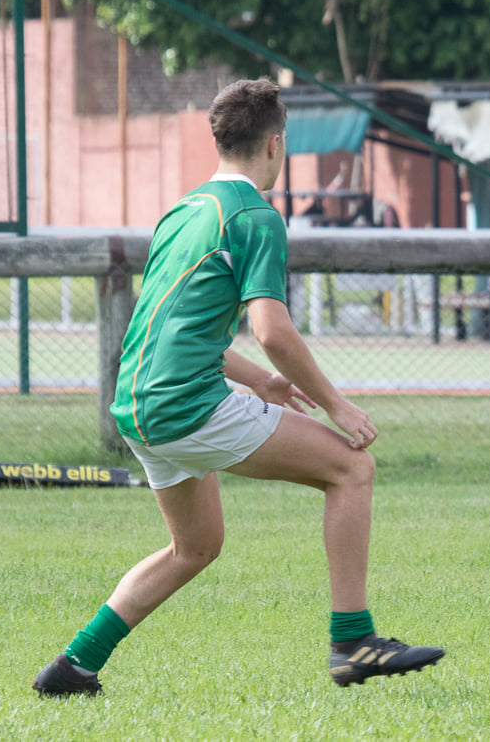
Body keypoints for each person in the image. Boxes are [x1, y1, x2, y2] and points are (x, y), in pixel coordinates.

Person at [33, 78, 443, 696]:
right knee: (351, 470)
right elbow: (271, 329)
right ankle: (354, 642)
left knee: (194, 547)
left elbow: (176, 326)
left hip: (136, 404)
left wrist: (265, 383)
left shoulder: (186, 210)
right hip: (187, 405)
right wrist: (336, 406)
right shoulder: (256, 217)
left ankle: (72, 668)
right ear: (276, 144)